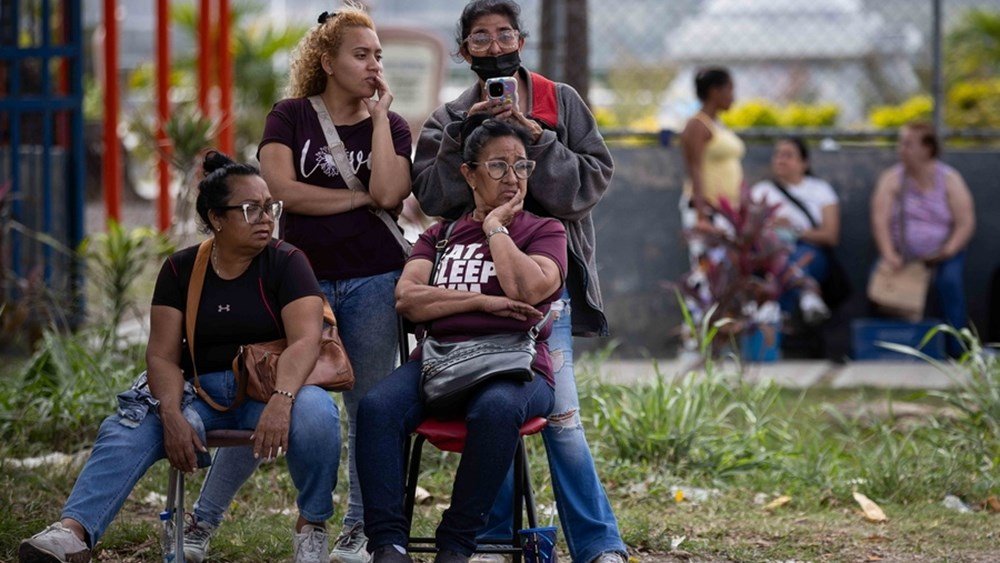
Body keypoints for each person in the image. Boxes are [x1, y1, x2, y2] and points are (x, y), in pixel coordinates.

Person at [17, 152, 341, 563]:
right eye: (250, 209)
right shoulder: (180, 269)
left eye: (269, 206)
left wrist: (282, 400)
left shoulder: (288, 263)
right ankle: (72, 532)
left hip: (268, 389)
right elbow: (162, 355)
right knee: (128, 425)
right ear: (216, 218)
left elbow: (305, 341)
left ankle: (311, 525)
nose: (266, 218)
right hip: (196, 393)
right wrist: (170, 413)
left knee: (317, 413)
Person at [184, 7, 413, 563]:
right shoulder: (290, 117)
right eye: (361, 55)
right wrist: (357, 199)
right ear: (328, 62)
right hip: (295, 283)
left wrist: (381, 120)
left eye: (378, 55)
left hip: (374, 280)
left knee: (370, 410)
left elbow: (389, 192)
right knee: (264, 392)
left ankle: (358, 529)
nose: (373, 65)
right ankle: (202, 521)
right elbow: (281, 189)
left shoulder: (396, 126)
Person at [411, 2, 628, 562]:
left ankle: (599, 544)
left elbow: (585, 188)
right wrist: (466, 134)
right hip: (473, 293)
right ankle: (490, 537)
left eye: (504, 34)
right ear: (463, 52)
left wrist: (540, 141)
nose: (493, 46)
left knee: (561, 418)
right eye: (479, 39)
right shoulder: (448, 117)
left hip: (541, 289)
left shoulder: (561, 102)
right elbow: (435, 198)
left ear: (521, 42)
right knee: (494, 410)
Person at [358, 116, 565, 563]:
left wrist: (495, 228)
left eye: (521, 167)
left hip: (516, 367)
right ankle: (388, 544)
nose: (512, 178)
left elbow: (529, 290)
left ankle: (456, 542)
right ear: (468, 173)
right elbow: (408, 299)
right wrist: (482, 304)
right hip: (439, 362)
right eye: (497, 167)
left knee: (496, 408)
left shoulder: (544, 231)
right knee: (377, 407)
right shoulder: (440, 235)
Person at [870, 122, 975, 355]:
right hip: (902, 255)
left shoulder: (949, 179)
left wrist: (949, 249)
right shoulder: (893, 178)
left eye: (908, 144)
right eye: (901, 143)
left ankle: (958, 351)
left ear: (927, 148)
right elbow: (880, 220)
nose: (901, 149)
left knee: (949, 282)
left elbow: (965, 222)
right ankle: (888, 352)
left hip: (944, 254)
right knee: (879, 285)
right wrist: (889, 255)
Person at [750, 136, 836, 324]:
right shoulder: (761, 190)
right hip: (769, 251)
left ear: (804, 163)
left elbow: (830, 236)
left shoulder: (821, 190)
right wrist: (768, 225)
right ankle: (807, 294)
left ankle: (774, 307)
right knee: (778, 257)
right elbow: (748, 231)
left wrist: (794, 230)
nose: (781, 160)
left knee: (796, 257)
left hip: (809, 252)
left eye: (788, 155)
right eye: (778, 155)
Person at [679, 67, 744, 235]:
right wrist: (702, 217)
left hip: (727, 211)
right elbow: (695, 168)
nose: (733, 96)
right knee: (707, 261)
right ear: (714, 91)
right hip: (708, 211)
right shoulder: (697, 125)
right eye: (729, 89)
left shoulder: (718, 124)